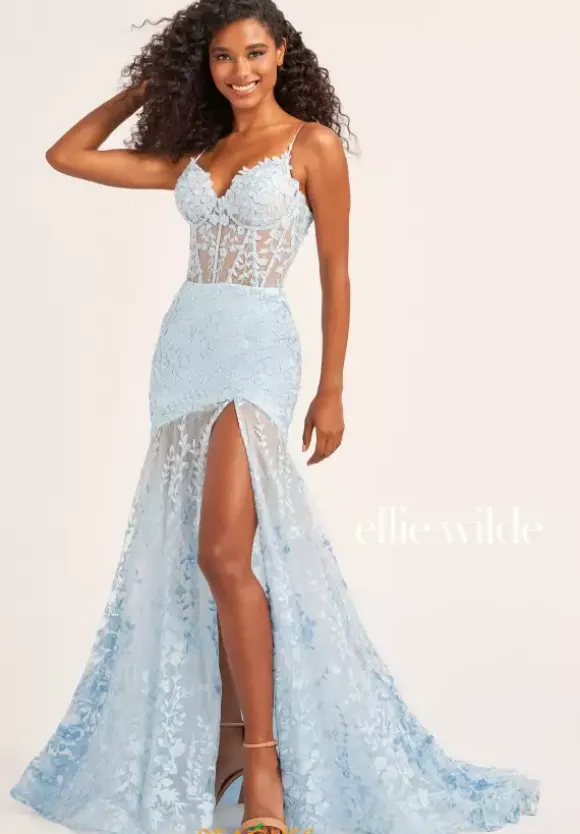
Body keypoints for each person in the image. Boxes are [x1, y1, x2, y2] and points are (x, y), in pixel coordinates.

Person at [10, 2, 540, 834]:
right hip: (184, 350)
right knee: (206, 560)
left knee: (223, 552)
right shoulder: (198, 153)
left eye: (255, 52)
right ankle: (230, 748)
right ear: (205, 65)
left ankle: (264, 765)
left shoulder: (311, 145)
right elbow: (67, 155)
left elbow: (336, 272)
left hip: (257, 348)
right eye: (221, 57)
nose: (240, 71)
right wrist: (147, 85)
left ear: (283, 53)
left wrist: (332, 388)